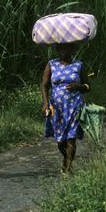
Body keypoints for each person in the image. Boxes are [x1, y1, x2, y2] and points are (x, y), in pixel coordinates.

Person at [40, 42, 90, 174]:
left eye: (67, 47)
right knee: (60, 140)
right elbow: (44, 85)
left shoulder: (79, 65)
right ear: (57, 49)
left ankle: (68, 168)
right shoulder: (52, 64)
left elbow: (88, 86)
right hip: (57, 108)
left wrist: (79, 87)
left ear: (72, 49)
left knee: (71, 137)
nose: (63, 50)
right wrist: (46, 104)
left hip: (75, 106)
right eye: (60, 47)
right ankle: (66, 159)